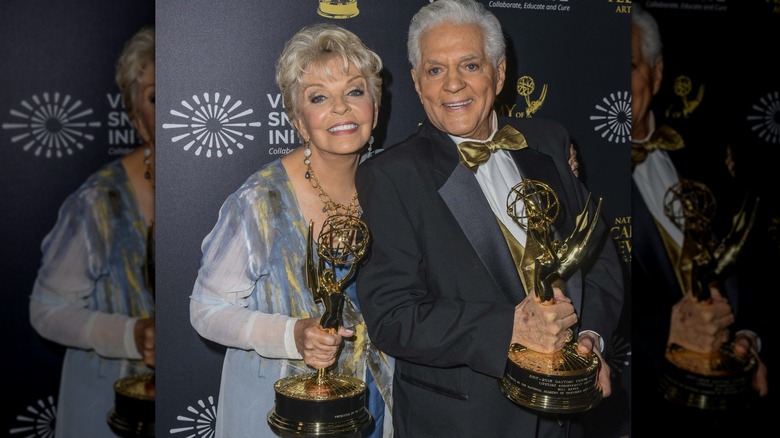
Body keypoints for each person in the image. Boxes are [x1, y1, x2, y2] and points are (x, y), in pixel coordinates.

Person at [354, 1, 624, 436]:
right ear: (417, 84)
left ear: (499, 73)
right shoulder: (389, 176)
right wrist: (510, 328)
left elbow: (599, 261)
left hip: (568, 418)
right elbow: (392, 317)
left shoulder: (549, 143)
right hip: (464, 421)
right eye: (435, 70)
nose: (453, 84)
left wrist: (589, 338)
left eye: (470, 64)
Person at [189, 23, 393, 438]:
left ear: (375, 103)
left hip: (371, 408)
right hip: (282, 415)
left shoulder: (394, 186)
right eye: (319, 97)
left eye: (354, 91)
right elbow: (206, 311)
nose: (341, 108)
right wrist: (292, 334)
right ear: (299, 121)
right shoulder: (260, 201)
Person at [630, 3, 768, 435]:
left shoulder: (704, 154)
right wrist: (663, 330)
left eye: (629, 66)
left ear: (656, 72)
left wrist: (748, 337)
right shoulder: (572, 173)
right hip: (637, 406)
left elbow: (753, 259)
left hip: (728, 407)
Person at [28, 26, 156, 437]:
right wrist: (128, 335)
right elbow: (46, 311)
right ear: (137, 119)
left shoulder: (233, 197)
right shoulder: (97, 202)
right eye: (156, 97)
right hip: (107, 411)